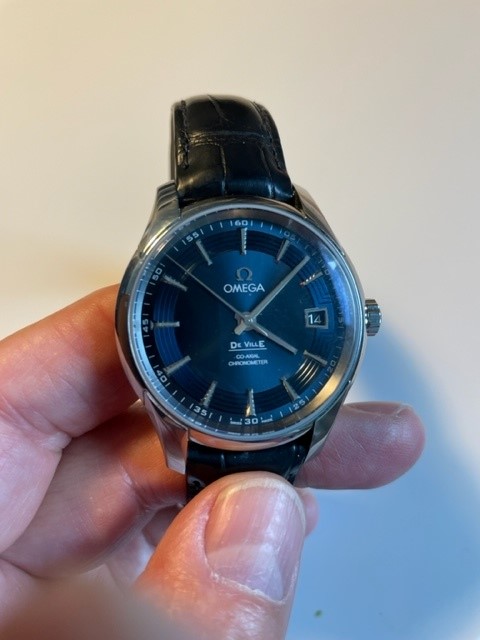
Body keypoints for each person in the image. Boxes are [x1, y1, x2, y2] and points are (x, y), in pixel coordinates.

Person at [0, 286, 424, 639]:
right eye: (242, 320)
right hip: (201, 412)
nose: (246, 323)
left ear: (361, 319)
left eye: (250, 319)